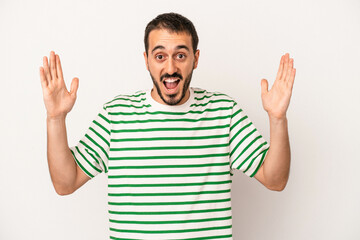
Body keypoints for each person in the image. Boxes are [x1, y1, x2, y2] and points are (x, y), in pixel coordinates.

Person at [40, 12, 296, 240]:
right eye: (160, 56)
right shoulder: (115, 115)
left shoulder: (223, 112)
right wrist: (55, 119)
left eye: (181, 55)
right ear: (147, 60)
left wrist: (277, 119)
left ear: (195, 59)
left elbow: (275, 180)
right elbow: (66, 183)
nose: (170, 68)